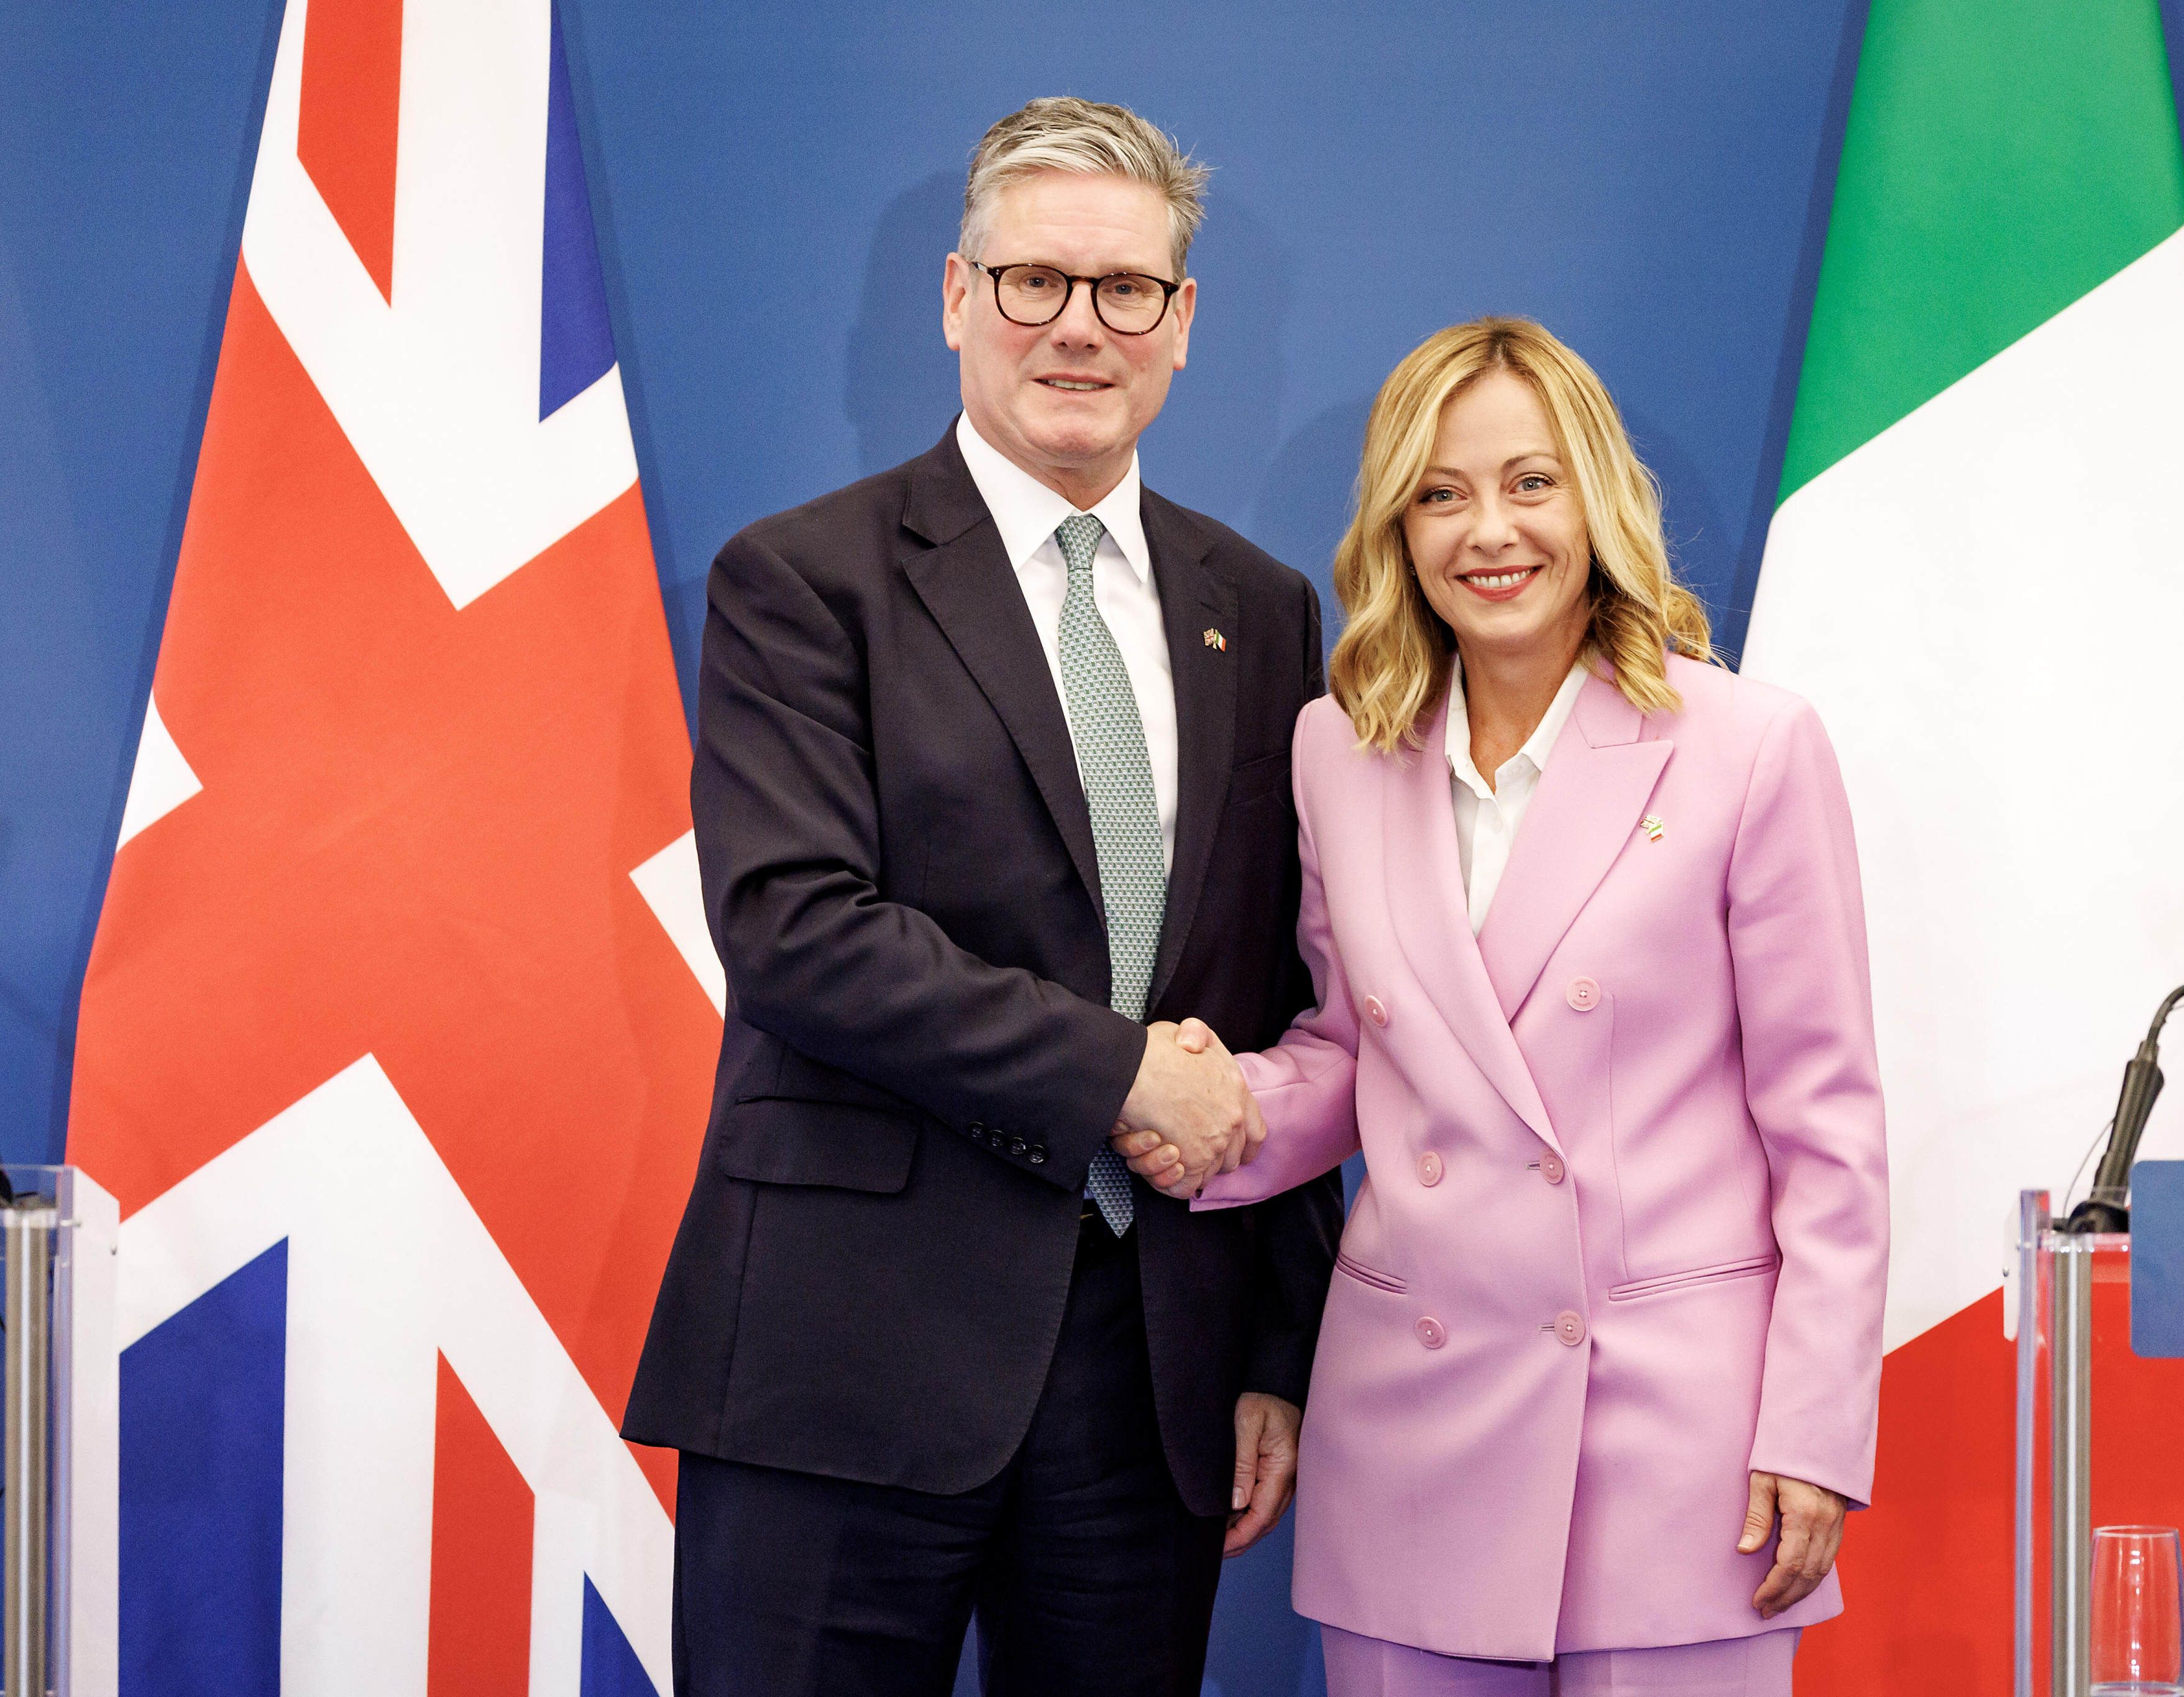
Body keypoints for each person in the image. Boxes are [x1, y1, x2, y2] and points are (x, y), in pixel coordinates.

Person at [623, 98, 1342, 1697]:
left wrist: (1272, 1351)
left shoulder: (1265, 609)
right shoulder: (803, 580)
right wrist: (1118, 1075)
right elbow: (796, 927)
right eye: (1033, 282)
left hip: (1147, 1373)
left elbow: (1288, 986)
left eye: (1124, 290)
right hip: (842, 1360)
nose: (1077, 328)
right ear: (956, 298)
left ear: (1182, 322)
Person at [1116, 318, 1890, 1695]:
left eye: (1530, 483)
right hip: (1412, 1423)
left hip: (1677, 1442)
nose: (1491, 531)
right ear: (1396, 529)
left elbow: (1826, 1132)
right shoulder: (1336, 755)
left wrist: (1816, 1428)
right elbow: (1357, 1054)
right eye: (1440, 491)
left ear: (1595, 497)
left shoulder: (1747, 747)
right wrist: (1214, 1112)